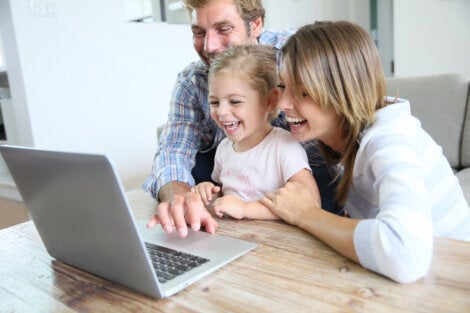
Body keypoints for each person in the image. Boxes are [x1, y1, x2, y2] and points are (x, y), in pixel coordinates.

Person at [259, 21, 470, 283]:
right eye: (282, 86)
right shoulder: (336, 141)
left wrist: (306, 215)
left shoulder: (390, 138)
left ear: (342, 91)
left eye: (302, 91)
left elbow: (405, 255)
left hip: (452, 280)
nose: (282, 103)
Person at [144, 0, 341, 237]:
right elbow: (174, 151)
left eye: (224, 29)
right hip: (237, 223)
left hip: (309, 197)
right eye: (198, 32)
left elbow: (356, 93)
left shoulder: (299, 52)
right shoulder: (193, 81)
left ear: (256, 24)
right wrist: (186, 195)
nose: (209, 46)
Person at [194, 44, 319, 220]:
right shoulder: (224, 148)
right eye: (214, 102)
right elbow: (228, 194)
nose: (221, 111)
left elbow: (311, 203)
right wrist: (210, 192)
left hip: (276, 243)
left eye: (235, 101)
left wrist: (246, 209)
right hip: (236, 239)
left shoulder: (284, 147)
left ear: (269, 101)